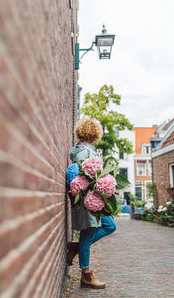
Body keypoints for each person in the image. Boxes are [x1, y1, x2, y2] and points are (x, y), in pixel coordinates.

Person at [67, 118, 117, 289]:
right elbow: (81, 176)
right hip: (89, 199)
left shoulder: (86, 150)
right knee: (88, 236)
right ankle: (86, 275)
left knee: (109, 225)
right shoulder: (84, 152)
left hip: (95, 197)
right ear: (95, 133)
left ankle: (77, 247)